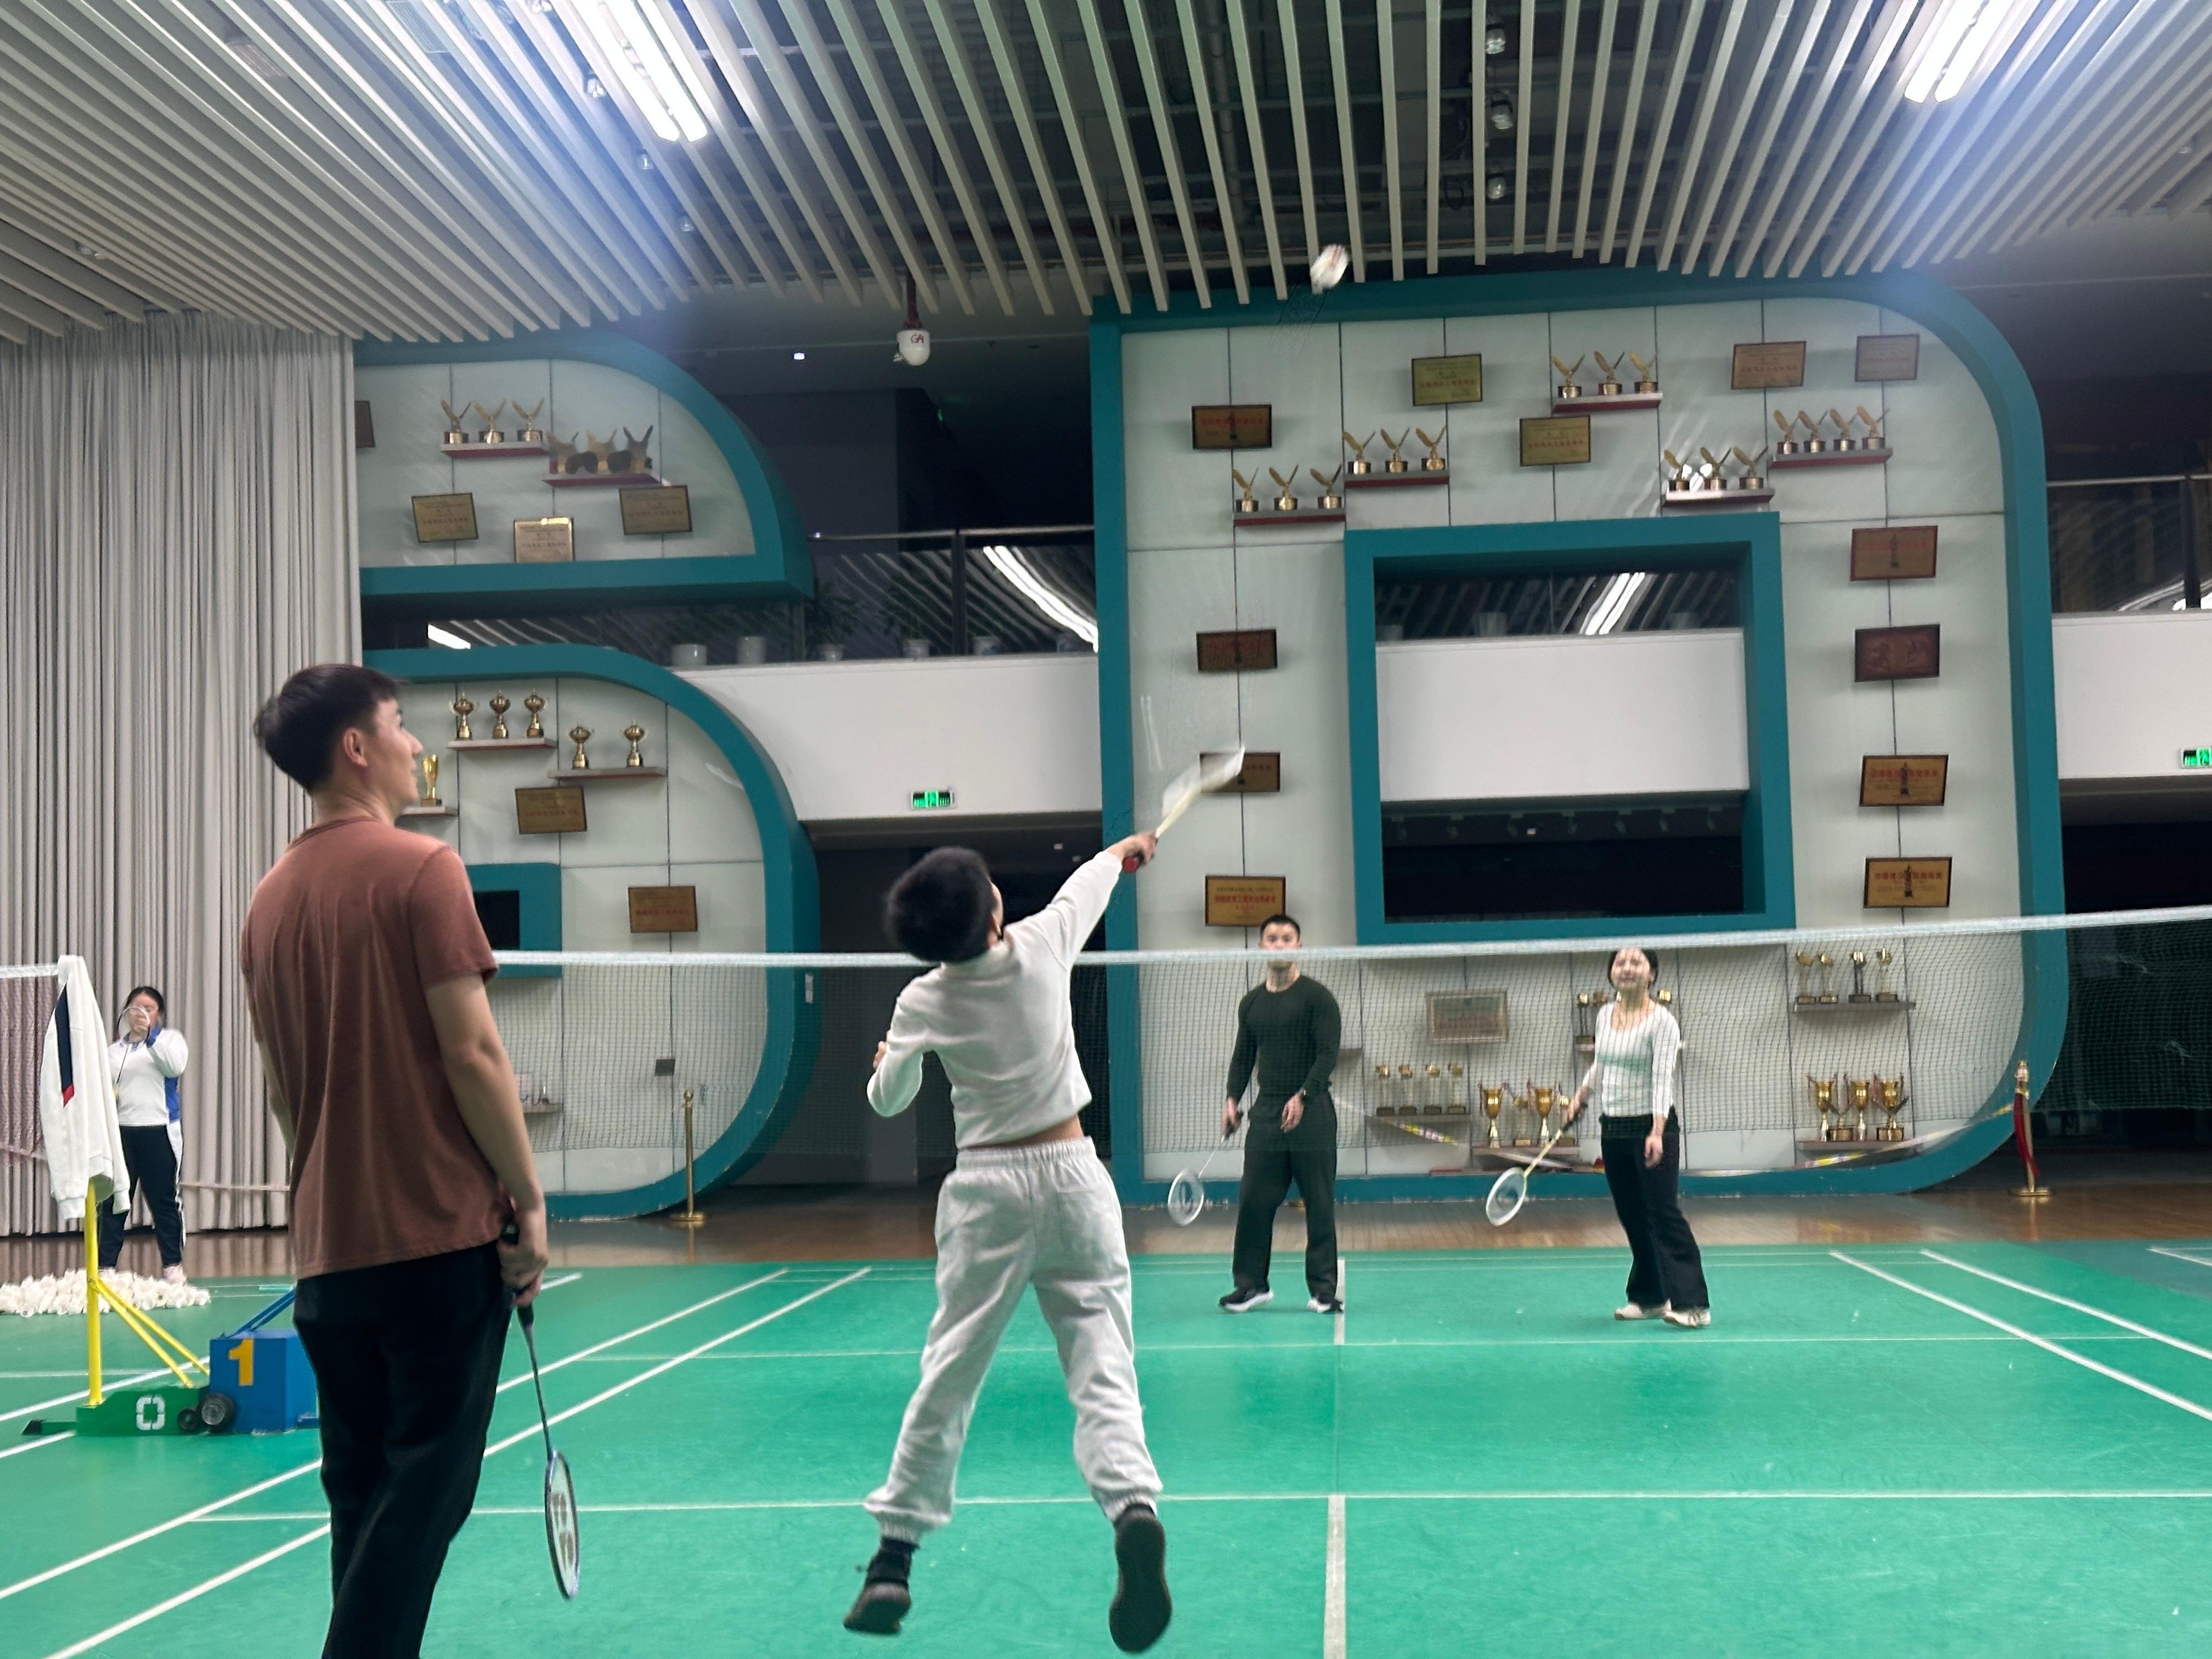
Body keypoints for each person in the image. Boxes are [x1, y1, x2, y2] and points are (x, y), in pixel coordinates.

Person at [241, 663, 549, 1659]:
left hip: (329, 1255)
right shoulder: (425, 870)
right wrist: (529, 1197)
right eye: (402, 725)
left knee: (366, 1495)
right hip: (436, 1241)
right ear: (356, 748)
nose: (419, 744)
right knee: (426, 1490)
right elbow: (472, 1052)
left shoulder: (266, 904)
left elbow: (284, 1094)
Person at [849, 837, 1172, 1654]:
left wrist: (888, 1063)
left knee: (951, 1368)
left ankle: (893, 1561)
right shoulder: (1041, 943)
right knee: (1102, 1360)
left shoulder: (923, 997)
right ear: (994, 915)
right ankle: (1132, 1507)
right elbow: (1087, 885)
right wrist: (1125, 853)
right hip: (1075, 1179)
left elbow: (889, 1100)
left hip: (986, 1192)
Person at [1561, 946, 1710, 1328]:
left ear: (1652, 975)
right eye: (1620, 962)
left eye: (1636, 963)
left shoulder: (1663, 1022)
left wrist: (1657, 1131)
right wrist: (1581, 1097)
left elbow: (1663, 1080)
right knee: (1632, 1215)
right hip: (1613, 1128)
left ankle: (1694, 1305)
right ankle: (1650, 1297)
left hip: (1651, 1129)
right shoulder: (1604, 1015)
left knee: (1663, 1213)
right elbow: (1601, 1063)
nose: (1627, 968)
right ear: (1611, 972)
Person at [1218, 915, 1342, 1315]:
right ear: (1262, 947)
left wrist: (1303, 1095)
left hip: (1313, 1111)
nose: (1279, 944)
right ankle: (1251, 1285)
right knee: (1254, 1201)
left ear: (1299, 946)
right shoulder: (1251, 1003)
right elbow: (1243, 1056)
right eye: (1272, 938)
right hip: (1268, 1112)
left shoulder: (1318, 998)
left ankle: (1323, 1291)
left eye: (1287, 938)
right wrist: (1232, 1099)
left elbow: (1327, 1055)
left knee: (1319, 1203)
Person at [98, 985, 190, 1283]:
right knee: (114, 1200)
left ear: (158, 1014)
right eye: (136, 1007)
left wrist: (150, 1037)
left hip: (160, 1131)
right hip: (122, 1133)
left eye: (149, 1009)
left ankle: (173, 1265)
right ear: (126, 1011)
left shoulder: (170, 1041)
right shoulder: (113, 1052)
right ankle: (106, 1266)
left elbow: (174, 1067)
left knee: (164, 1202)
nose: (141, 1013)